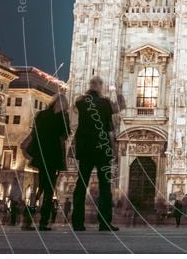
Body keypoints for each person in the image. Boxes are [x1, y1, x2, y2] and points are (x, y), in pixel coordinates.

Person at [71, 77, 120, 232]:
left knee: (81, 184)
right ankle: (104, 222)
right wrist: (115, 92)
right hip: (101, 148)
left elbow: (75, 111)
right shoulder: (105, 103)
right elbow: (116, 112)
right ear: (100, 87)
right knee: (105, 186)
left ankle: (77, 222)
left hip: (85, 148)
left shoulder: (81, 102)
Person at [28, 92, 70, 231]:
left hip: (40, 156)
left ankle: (28, 217)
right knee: (49, 189)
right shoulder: (62, 117)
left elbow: (35, 133)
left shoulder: (41, 115)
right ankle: (43, 222)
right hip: (54, 156)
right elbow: (66, 134)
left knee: (40, 187)